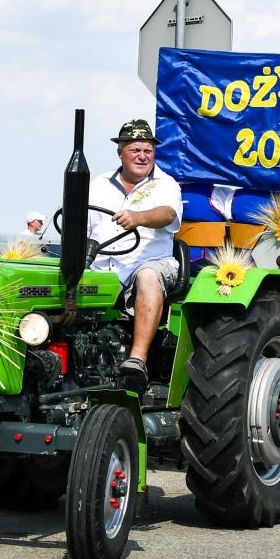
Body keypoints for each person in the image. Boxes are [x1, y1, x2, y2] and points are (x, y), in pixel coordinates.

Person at [88, 119, 183, 392]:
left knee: (148, 277)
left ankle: (137, 358)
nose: (143, 156)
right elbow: (82, 228)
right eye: (135, 150)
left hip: (149, 261)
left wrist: (139, 217)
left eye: (148, 150)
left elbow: (168, 214)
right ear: (121, 152)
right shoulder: (99, 184)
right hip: (103, 266)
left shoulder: (165, 184)